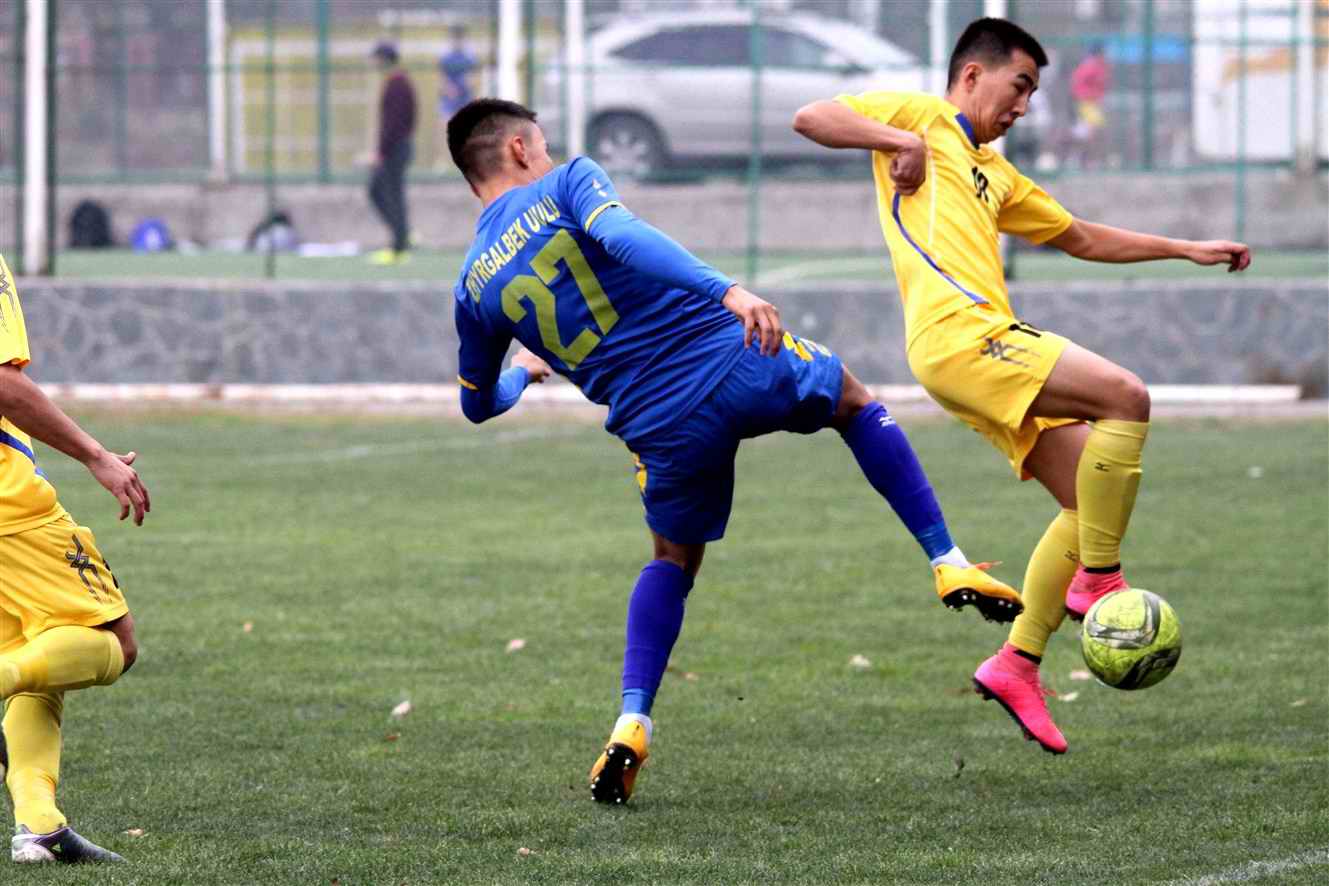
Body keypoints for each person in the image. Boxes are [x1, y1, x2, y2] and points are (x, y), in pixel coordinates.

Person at [447, 98, 1025, 805]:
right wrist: (727, 290)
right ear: (517, 149)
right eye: (540, 145)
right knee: (852, 402)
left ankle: (632, 720)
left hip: (657, 427)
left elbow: (476, 404)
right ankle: (946, 560)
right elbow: (622, 235)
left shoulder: (472, 285)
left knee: (671, 561)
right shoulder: (567, 182)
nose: (547, 154)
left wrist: (523, 372)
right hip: (735, 358)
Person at [792, 17, 1250, 755]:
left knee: (1087, 500)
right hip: (960, 335)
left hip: (974, 346)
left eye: (1032, 93)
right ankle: (1099, 580)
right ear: (973, 74)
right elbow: (812, 116)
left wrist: (1183, 248)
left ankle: (1018, 662)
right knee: (1126, 397)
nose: (1024, 106)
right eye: (1020, 85)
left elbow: (1080, 236)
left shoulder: (995, 173)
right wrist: (899, 140)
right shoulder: (922, 117)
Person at [0, 254, 150, 863]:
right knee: (114, 642)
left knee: (41, 652)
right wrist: (95, 455)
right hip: (9, 510)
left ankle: (40, 826)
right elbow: (3, 383)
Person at [368, 41, 417, 266]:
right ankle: (402, 234)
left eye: (377, 58)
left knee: (389, 193)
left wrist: (381, 151)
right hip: (397, 146)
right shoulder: (397, 82)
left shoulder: (398, 84)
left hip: (395, 148)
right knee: (380, 191)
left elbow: (393, 123)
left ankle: (399, 245)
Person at [436, 25, 477, 168]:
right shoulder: (446, 57)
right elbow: (441, 79)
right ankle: (442, 161)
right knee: (443, 125)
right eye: (454, 38)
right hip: (449, 99)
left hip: (465, 98)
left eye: (459, 38)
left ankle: (467, 161)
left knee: (468, 129)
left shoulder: (469, 57)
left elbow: (473, 78)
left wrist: (467, 84)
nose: (457, 42)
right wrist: (448, 88)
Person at [1068, 43, 1111, 168]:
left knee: (1089, 132)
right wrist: (1085, 96)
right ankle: (1083, 159)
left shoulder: (1101, 66)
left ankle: (1081, 159)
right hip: (1086, 102)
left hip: (1093, 103)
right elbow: (1077, 83)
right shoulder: (1089, 66)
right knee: (1092, 131)